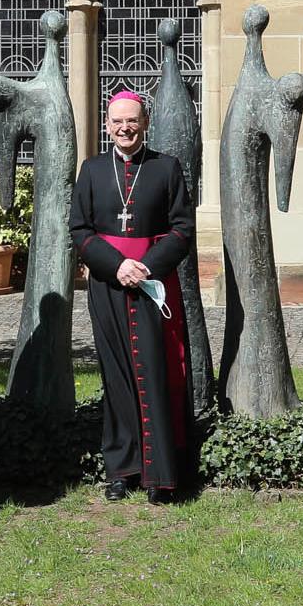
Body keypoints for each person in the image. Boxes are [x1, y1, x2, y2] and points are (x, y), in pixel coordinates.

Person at [72, 90, 195, 504]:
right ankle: (122, 470)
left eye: (132, 121)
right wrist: (116, 265)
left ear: (145, 123)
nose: (125, 128)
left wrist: (146, 266)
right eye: (118, 121)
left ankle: (161, 473)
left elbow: (182, 228)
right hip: (108, 285)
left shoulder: (166, 167)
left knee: (157, 372)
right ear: (107, 126)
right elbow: (80, 229)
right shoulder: (92, 170)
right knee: (117, 374)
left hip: (153, 285)